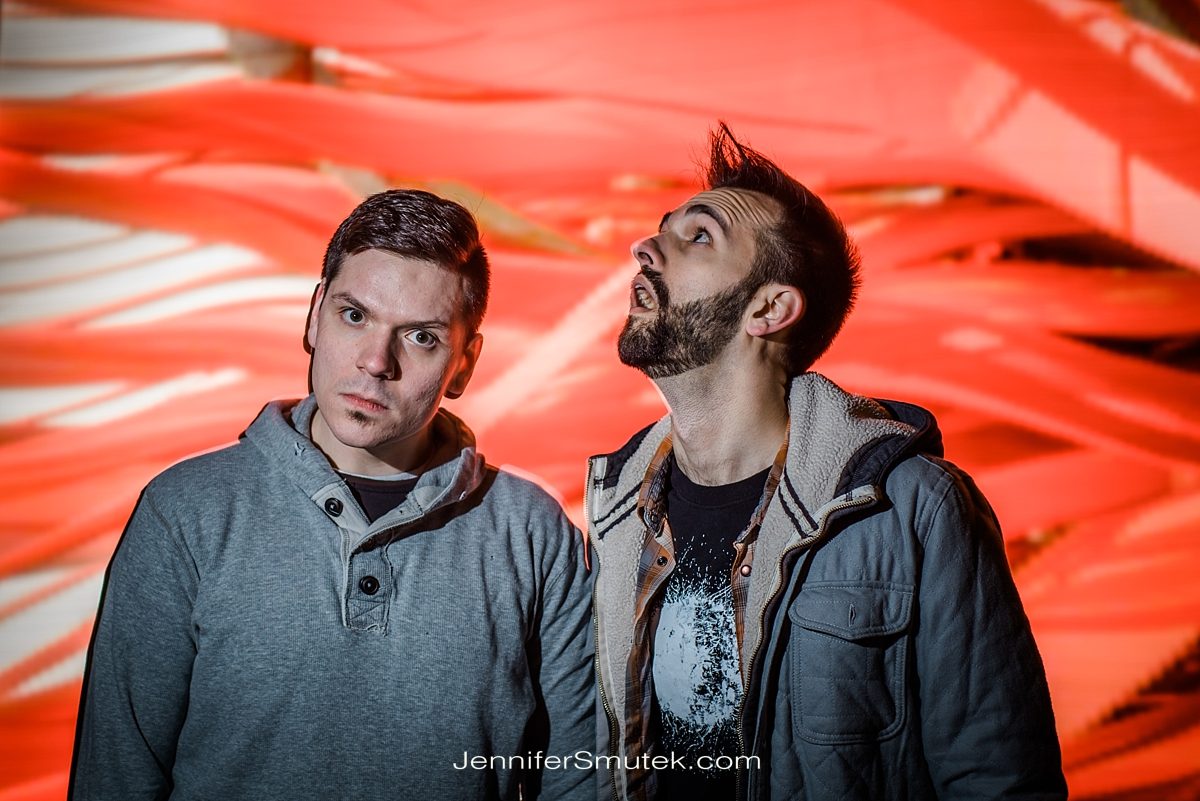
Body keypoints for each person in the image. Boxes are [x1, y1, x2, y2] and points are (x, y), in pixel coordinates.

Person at [586, 125, 1066, 800]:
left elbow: (1000, 779)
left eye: (699, 237)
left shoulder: (912, 510)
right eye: (663, 229)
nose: (644, 246)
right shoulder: (613, 515)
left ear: (769, 308)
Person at [70, 190, 596, 801]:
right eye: (354, 316)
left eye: (421, 337)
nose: (376, 361)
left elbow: (579, 780)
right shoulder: (186, 512)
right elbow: (115, 778)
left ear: (464, 364)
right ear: (314, 315)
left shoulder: (534, 534)